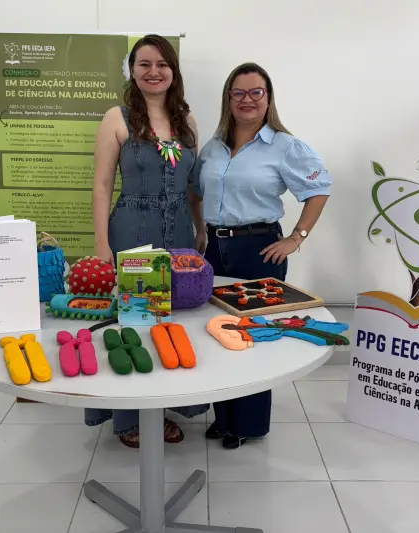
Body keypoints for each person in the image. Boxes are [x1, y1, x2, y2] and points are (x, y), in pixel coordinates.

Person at [191, 62, 332, 449]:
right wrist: (200, 231)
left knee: (252, 335)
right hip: (214, 250)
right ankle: (224, 418)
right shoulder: (214, 147)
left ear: (268, 98)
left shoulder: (285, 146)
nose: (247, 100)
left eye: (256, 92)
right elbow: (195, 192)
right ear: (228, 98)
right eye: (238, 93)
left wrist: (296, 238)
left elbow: (319, 190)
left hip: (258, 250)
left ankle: (248, 424)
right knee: (217, 332)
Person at [87, 34, 208, 448]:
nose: (153, 72)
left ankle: (164, 406)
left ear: (173, 71)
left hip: (179, 234)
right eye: (144, 64)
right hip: (133, 233)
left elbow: (192, 187)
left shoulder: (187, 121)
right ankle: (129, 420)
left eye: (162, 64)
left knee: (174, 322)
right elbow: (102, 185)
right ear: (132, 71)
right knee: (137, 323)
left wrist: (200, 228)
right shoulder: (116, 118)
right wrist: (101, 245)